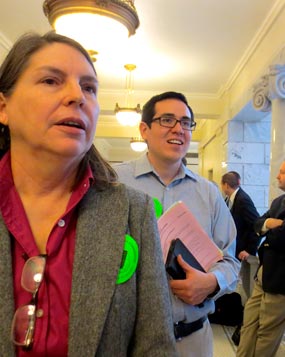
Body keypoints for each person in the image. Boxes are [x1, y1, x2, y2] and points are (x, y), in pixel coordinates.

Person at [0, 32, 178, 357]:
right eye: (51, 80)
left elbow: (156, 346)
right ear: (3, 107)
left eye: (89, 87)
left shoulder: (132, 210)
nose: (76, 96)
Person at [114, 91, 240, 357]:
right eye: (167, 119)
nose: (178, 129)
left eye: (185, 122)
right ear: (144, 129)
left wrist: (212, 282)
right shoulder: (114, 183)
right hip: (128, 341)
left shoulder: (208, 193)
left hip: (193, 339)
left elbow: (230, 260)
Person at [237, 160, 285, 357]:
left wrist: (271, 232)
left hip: (281, 279)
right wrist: (270, 224)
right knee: (249, 323)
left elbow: (282, 238)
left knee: (267, 330)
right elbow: (257, 224)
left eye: (282, 173)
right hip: (263, 273)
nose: (277, 176)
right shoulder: (278, 202)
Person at [221, 171, 261, 299]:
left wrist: (249, 250)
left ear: (226, 185)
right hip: (234, 250)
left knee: (242, 287)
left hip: (242, 252)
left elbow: (256, 223)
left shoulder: (243, 200)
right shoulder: (230, 199)